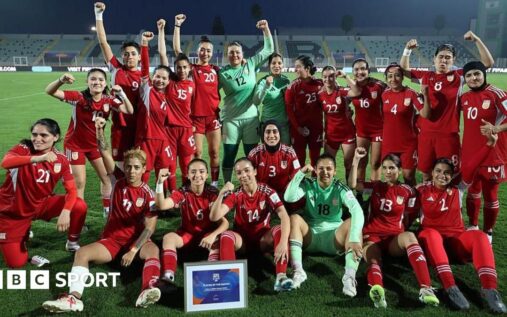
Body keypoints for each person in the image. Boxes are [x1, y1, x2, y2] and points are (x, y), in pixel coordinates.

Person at [42, 118, 161, 312]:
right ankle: (73, 299)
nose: (131, 171)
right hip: (112, 241)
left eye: (136, 167)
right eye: (129, 166)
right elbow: (104, 152)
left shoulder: (149, 195)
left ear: (144, 170)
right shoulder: (118, 179)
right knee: (82, 253)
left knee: (153, 250)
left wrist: (133, 249)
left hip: (136, 242)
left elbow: (149, 229)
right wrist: (99, 130)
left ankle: (148, 289)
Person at [415, 131, 506, 313]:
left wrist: (489, 145)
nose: (443, 175)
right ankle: (450, 288)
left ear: (452, 175)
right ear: (431, 173)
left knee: (479, 236)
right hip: (432, 243)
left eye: (447, 173)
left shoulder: (458, 189)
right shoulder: (420, 190)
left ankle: (490, 289)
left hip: (455, 244)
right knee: (430, 234)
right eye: (438, 171)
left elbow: (472, 165)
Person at [349, 149, 439, 308]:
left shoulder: (408, 191)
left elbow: (411, 215)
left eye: (391, 168)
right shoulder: (376, 186)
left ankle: (426, 289)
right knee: (372, 257)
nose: (387, 171)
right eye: (384, 168)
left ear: (399, 169)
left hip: (394, 239)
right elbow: (353, 185)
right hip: (372, 236)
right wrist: (356, 159)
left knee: (410, 236)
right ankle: (378, 291)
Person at [399, 30, 494, 181]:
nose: (444, 60)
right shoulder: (426, 76)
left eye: (448, 58)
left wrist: (476, 39)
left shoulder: (460, 76)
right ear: (434, 59)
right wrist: (407, 50)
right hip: (426, 134)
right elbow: (404, 70)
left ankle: (449, 204)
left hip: (448, 136)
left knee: (449, 175)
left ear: (453, 60)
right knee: (426, 175)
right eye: (441, 57)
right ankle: (429, 204)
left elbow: (488, 63)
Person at [45, 69, 133, 218]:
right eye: (93, 79)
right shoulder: (79, 97)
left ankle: (107, 211)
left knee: (107, 178)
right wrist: (61, 80)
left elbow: (129, 110)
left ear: (105, 83)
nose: (97, 82)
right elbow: (50, 91)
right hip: (75, 146)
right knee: (79, 183)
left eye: (100, 79)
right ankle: (79, 217)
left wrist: (122, 94)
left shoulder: (108, 100)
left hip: (95, 146)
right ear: (87, 82)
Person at [0, 119, 87, 268]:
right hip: (13, 213)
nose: (37, 139)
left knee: (78, 205)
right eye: (34, 134)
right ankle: (22, 233)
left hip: (40, 205)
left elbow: (72, 190)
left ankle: (72, 243)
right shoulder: (23, 148)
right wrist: (39, 158)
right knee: (16, 263)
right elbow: (6, 162)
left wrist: (66, 212)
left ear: (55, 137)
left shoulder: (61, 160)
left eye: (43, 135)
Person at [285, 153, 364, 296]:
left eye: (329, 168)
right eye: (321, 168)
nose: (325, 172)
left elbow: (357, 210)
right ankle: (298, 271)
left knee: (354, 224)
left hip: (334, 238)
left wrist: (353, 238)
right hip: (311, 236)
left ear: (335, 171)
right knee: (295, 218)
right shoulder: (309, 184)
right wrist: (301, 173)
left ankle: (349, 277)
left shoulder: (340, 187)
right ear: (315, 169)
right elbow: (289, 197)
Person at [210, 158, 293, 292]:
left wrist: (283, 242)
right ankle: (232, 282)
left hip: (262, 240)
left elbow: (284, 216)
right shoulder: (236, 194)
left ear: (255, 171)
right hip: (242, 242)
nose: (243, 175)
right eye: (239, 173)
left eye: (247, 170)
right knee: (226, 236)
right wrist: (221, 194)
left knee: (279, 229)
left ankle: (281, 277)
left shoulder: (267, 191)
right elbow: (214, 216)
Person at [155, 158, 229, 284]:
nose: (197, 175)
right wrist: (159, 183)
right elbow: (161, 205)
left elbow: (225, 223)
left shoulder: (212, 194)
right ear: (188, 175)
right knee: (168, 238)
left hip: (207, 237)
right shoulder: (182, 192)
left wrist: (212, 235)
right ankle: (168, 276)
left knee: (218, 239)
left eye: (201, 171)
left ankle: (213, 276)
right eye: (193, 172)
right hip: (187, 235)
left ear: (206, 175)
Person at [219, 20, 274, 182]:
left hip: (251, 119)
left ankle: (253, 185)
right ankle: (227, 185)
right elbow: (210, 93)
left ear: (243, 54)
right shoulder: (222, 73)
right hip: (231, 121)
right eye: (231, 53)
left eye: (237, 52)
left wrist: (265, 29)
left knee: (252, 154)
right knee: (229, 154)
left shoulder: (250, 64)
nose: (234, 55)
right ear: (227, 55)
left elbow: (269, 49)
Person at [171, 15, 222, 187]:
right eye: (202, 49)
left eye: (208, 50)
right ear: (197, 51)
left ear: (212, 52)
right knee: (197, 152)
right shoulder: (191, 69)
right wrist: (177, 25)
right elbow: (177, 50)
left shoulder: (216, 70)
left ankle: (214, 184)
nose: (205, 53)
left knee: (214, 152)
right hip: (196, 119)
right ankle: (197, 182)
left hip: (213, 117)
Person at [460, 61, 507, 240]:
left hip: (493, 154)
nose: (473, 78)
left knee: (491, 194)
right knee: (473, 191)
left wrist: (497, 129)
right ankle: (473, 225)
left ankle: (488, 231)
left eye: (476, 74)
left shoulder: (497, 93)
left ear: (483, 74)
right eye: (469, 75)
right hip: (470, 154)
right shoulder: (464, 97)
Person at [95, 2, 141, 169]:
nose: (129, 57)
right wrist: (98, 14)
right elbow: (103, 42)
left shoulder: (144, 77)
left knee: (138, 166)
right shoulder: (116, 68)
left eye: (133, 54)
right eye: (126, 54)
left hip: (139, 128)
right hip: (119, 126)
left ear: (140, 57)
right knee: (120, 168)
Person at [156, 29, 196, 190]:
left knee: (186, 164)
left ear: (189, 67)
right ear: (174, 68)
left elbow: (192, 107)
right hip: (169, 130)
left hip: (186, 130)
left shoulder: (192, 84)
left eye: (185, 67)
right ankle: (172, 194)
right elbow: (162, 54)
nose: (182, 70)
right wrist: (161, 30)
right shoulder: (170, 81)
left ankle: (186, 194)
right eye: (178, 67)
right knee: (170, 165)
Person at [137, 31, 173, 184]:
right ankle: (142, 199)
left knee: (164, 171)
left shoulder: (168, 95)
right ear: (152, 77)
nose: (160, 80)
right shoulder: (147, 89)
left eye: (164, 78)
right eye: (157, 76)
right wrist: (144, 44)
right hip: (147, 138)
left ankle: (162, 202)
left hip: (163, 139)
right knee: (144, 172)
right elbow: (144, 66)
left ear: (169, 81)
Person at [380, 63, 423, 185]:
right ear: (386, 78)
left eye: (397, 75)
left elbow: (424, 113)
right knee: (390, 177)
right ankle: (392, 202)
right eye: (390, 76)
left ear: (403, 77)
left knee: (408, 176)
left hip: (408, 144)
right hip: (389, 143)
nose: (393, 79)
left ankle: (412, 201)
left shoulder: (411, 93)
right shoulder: (383, 95)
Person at [318, 65, 360, 181]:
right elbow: (323, 116)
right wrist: (323, 134)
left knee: (348, 165)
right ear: (322, 78)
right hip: (331, 135)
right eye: (325, 77)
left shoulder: (341, 92)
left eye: (331, 76)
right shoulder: (320, 96)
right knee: (328, 166)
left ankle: (349, 193)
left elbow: (356, 91)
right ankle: (329, 194)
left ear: (335, 77)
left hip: (347, 134)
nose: (328, 79)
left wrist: (345, 76)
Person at [348, 58, 385, 185]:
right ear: (353, 72)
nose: (360, 72)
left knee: (375, 163)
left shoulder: (379, 86)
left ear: (368, 71)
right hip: (362, 131)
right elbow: (343, 102)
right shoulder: (352, 87)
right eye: (356, 69)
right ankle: (360, 192)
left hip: (379, 130)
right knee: (361, 162)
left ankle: (375, 193)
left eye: (363, 69)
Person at [285, 55, 323, 166]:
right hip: (298, 129)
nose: (295, 69)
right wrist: (298, 128)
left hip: (316, 128)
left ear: (307, 68)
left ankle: (315, 181)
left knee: (315, 159)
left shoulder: (320, 83)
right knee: (299, 160)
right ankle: (299, 182)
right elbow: (289, 110)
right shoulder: (292, 87)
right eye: (295, 67)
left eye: (298, 67)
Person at [247, 120, 301, 201]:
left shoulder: (289, 152)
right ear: (263, 135)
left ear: (280, 134)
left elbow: (296, 177)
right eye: (268, 132)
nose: (271, 135)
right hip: (262, 195)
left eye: (275, 132)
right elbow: (249, 178)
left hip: (284, 195)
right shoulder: (254, 154)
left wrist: (287, 193)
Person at [253, 53, 291, 145]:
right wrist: (266, 86)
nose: (277, 66)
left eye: (279, 63)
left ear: (283, 65)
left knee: (285, 155)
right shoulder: (263, 81)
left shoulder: (286, 81)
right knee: (268, 156)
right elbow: (256, 101)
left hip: (283, 125)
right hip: (268, 125)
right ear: (269, 65)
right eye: (273, 63)